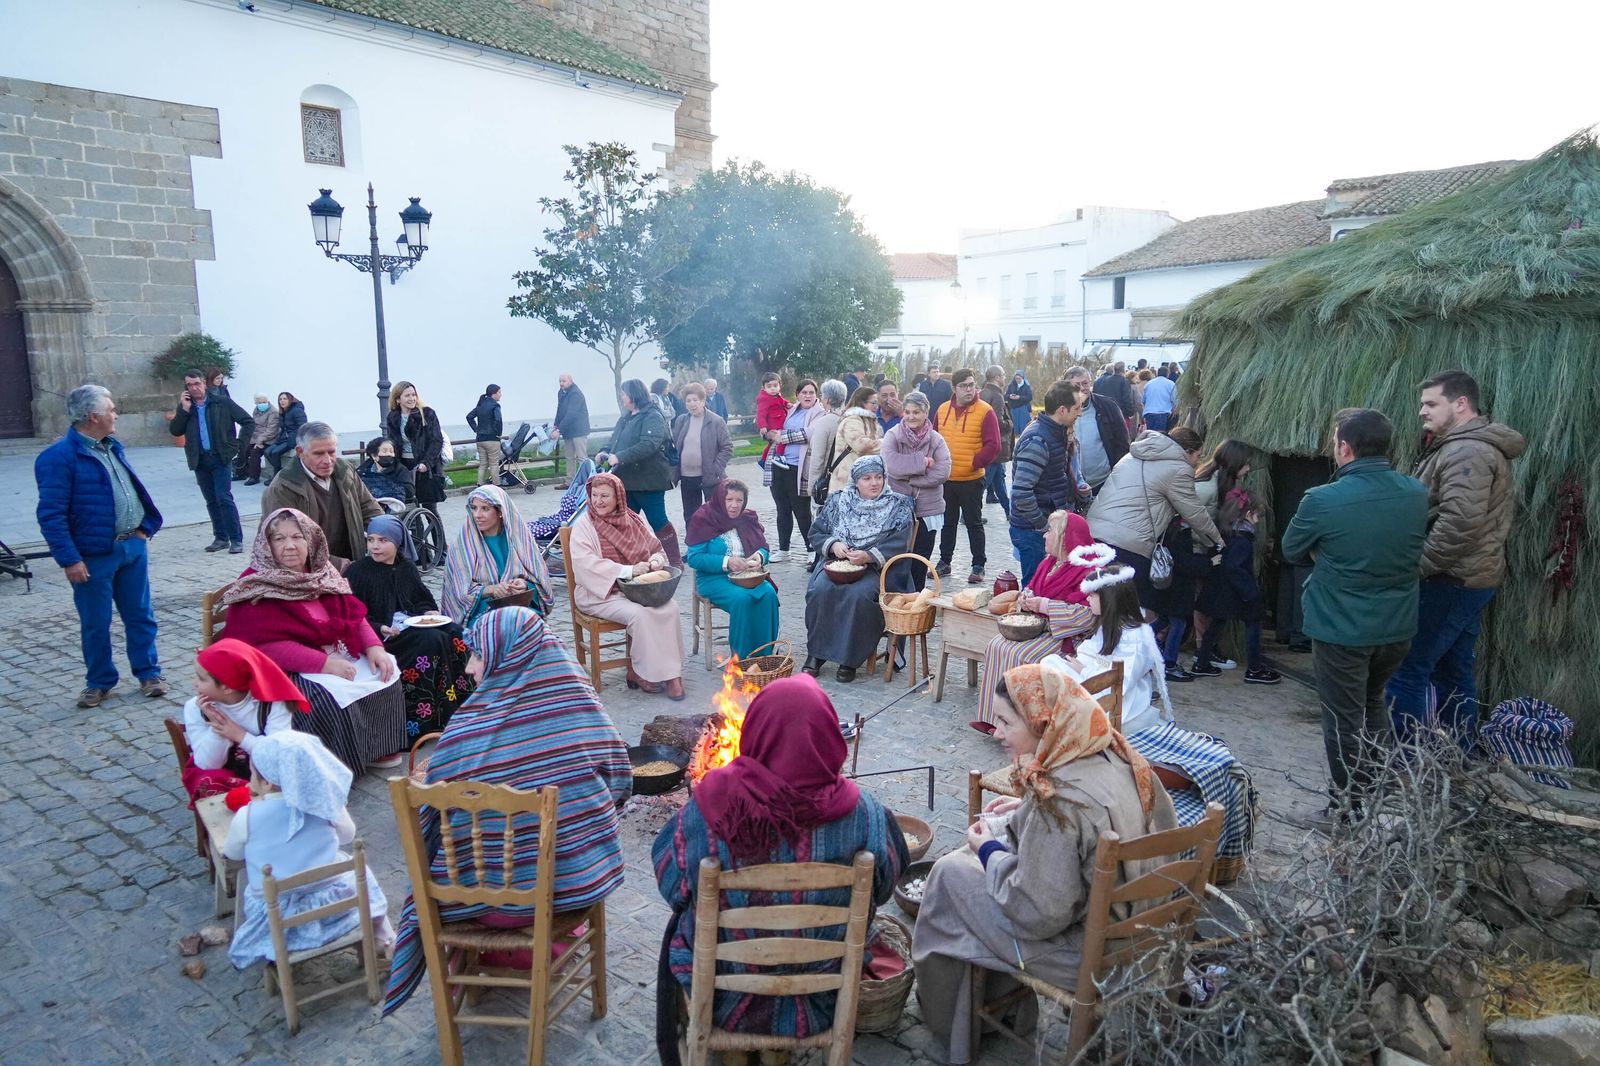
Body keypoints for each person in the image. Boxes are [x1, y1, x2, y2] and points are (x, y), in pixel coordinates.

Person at [912, 662, 1178, 1062]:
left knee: (949, 877)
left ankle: (955, 1023)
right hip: (1150, 932)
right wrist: (1025, 810)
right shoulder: (1118, 754)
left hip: (1093, 958)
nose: (996, 733)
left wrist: (988, 852)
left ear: (1042, 723)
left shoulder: (1060, 800)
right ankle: (993, 1012)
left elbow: (1037, 912)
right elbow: (1093, 827)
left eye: (1004, 722)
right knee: (967, 877)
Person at [385, 607, 631, 1013]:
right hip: (567, 890)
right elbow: (620, 783)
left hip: (473, 904)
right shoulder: (585, 715)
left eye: (478, 655)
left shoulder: (463, 735)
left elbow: (427, 822)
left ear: (507, 656)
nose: (468, 668)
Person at [652, 674, 908, 1056]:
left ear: (756, 734)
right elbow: (885, 887)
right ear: (828, 737)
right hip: (822, 996)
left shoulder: (712, 810)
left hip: (724, 991)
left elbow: (671, 883)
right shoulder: (866, 815)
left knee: (681, 920)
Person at [1282, 409, 1427, 813]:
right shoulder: (1415, 492)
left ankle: (1350, 801)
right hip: (1397, 625)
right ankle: (1375, 787)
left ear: (1344, 448)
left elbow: (1291, 550)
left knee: (1342, 718)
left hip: (1341, 627)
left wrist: (1327, 552)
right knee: (1374, 701)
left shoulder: (1322, 499)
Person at [1386, 369, 1526, 748]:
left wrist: (1416, 567)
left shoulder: (1468, 450)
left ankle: (1403, 765)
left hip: (1451, 579)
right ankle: (1458, 757)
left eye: (1431, 403)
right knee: (1452, 670)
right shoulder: (1462, 446)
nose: (1422, 412)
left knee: (1408, 670)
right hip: (1469, 578)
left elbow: (1460, 523)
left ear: (1461, 404)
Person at [220, 508, 406, 775]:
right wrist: (324, 664)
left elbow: (352, 613)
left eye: (297, 537)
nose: (290, 546)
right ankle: (336, 765)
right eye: (279, 539)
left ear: (311, 541)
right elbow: (263, 646)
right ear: (267, 544)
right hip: (283, 668)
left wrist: (374, 646)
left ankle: (377, 747)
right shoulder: (256, 586)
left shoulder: (321, 573)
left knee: (387, 670)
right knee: (323, 698)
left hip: (332, 651)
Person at [35, 384, 167, 708]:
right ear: (94, 416)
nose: (115, 414)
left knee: (140, 615)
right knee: (95, 622)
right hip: (93, 557)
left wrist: (143, 529)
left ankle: (149, 674)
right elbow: (51, 514)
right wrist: (69, 559)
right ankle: (99, 681)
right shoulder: (58, 458)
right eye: (111, 409)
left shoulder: (112, 446)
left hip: (132, 547)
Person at [224, 731, 392, 970]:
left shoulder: (247, 816)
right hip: (335, 910)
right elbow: (347, 835)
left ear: (267, 782)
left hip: (278, 919)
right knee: (356, 869)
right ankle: (382, 938)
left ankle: (272, 952)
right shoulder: (326, 804)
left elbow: (233, 854)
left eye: (252, 774)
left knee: (248, 882)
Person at [346, 515, 475, 739]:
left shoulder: (406, 567)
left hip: (410, 627)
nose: (375, 546)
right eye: (371, 540)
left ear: (397, 542)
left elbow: (421, 599)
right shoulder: (358, 571)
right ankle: (423, 721)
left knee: (455, 632)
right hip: (382, 639)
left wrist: (428, 612)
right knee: (432, 641)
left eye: (383, 540)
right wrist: (379, 628)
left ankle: (465, 705)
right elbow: (351, 615)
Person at [974, 511, 1099, 728]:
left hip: (1067, 637)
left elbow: (1087, 616)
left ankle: (1022, 727)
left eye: (1050, 531)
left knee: (1020, 654)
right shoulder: (1049, 563)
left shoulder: (1089, 571)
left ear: (1064, 538)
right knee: (995, 645)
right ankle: (993, 719)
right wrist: (1026, 597)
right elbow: (1031, 587)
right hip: (1039, 628)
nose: (1044, 536)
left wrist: (1044, 605)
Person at [569, 472, 687, 699]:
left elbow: (656, 549)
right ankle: (640, 672)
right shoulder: (585, 525)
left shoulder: (634, 519)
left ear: (619, 498)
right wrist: (629, 571)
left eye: (605, 496)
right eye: (595, 495)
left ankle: (673, 675)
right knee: (641, 615)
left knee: (670, 608)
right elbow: (586, 566)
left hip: (637, 589)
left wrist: (655, 561)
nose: (599, 501)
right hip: (600, 593)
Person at [802, 456, 917, 682]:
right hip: (837, 565)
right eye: (867, 478)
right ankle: (816, 653)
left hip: (878, 570)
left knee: (859, 596)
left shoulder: (898, 505)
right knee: (820, 590)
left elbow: (901, 541)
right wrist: (833, 545)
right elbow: (816, 533)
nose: (874, 483)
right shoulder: (838, 502)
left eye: (878, 477)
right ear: (856, 481)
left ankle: (850, 660)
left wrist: (869, 555)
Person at [1086, 426, 1224, 610]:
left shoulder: (1132, 455)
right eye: (1198, 456)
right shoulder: (1178, 468)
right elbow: (1195, 513)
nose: (1198, 462)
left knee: (1100, 604)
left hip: (1095, 535)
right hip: (1130, 544)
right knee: (1132, 609)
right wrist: (1217, 542)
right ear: (1187, 451)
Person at [179, 637, 305, 802]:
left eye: (201, 679)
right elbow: (207, 764)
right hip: (223, 774)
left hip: (263, 775)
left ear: (227, 688)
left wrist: (239, 735)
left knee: (292, 776)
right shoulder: (196, 708)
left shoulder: (271, 705)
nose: (194, 683)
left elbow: (277, 754)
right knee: (210, 784)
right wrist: (218, 728)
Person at [259, 421, 382, 566]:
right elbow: (288, 545)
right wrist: (344, 566)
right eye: (318, 454)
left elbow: (369, 508)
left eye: (331, 452)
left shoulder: (345, 470)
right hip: (307, 573)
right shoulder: (283, 488)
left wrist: (388, 534)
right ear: (300, 452)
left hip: (352, 562)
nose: (327, 460)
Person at [1190, 489, 1281, 684]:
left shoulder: (1225, 535)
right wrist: (1250, 592)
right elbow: (1233, 568)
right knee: (1254, 625)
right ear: (1247, 514)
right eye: (1257, 515)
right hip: (1239, 593)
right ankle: (1254, 668)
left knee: (1216, 625)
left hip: (1221, 590)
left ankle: (1202, 662)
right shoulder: (1243, 541)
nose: (1257, 520)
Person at [684, 479, 779, 659]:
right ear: (720, 498)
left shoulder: (747, 518)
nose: (734, 506)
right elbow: (694, 558)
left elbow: (764, 548)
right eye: (729, 500)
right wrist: (727, 561)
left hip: (747, 576)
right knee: (743, 599)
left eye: (739, 500)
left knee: (768, 594)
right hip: (713, 579)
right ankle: (741, 658)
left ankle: (764, 655)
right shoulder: (704, 518)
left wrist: (759, 557)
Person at [1009, 380, 1092, 582]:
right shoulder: (1038, 440)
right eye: (1076, 408)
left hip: (1042, 526)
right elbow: (1021, 492)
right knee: (1034, 586)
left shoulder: (1055, 433)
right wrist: (1044, 526)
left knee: (1046, 584)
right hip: (1032, 531)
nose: (1080, 413)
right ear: (1062, 410)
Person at [169, 367, 254, 553]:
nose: (194, 388)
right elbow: (175, 431)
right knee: (211, 500)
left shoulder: (221, 402)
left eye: (197, 384)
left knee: (224, 497)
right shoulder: (187, 407)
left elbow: (247, 421)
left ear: (204, 384)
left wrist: (238, 446)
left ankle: (236, 539)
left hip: (220, 457)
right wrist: (183, 410)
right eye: (189, 385)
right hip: (199, 459)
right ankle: (220, 537)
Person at [440, 484, 551, 624]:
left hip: (518, 606)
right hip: (481, 610)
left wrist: (524, 584)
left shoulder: (520, 541)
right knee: (506, 624)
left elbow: (541, 581)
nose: (477, 515)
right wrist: (491, 590)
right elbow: (458, 593)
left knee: (527, 623)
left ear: (500, 511)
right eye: (474, 508)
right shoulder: (461, 546)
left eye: (485, 509)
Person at [935, 368, 1002, 584]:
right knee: (948, 523)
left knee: (974, 523)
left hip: (972, 480)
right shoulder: (943, 409)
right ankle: (944, 562)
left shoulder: (985, 411)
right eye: (964, 386)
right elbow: (934, 439)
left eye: (972, 385)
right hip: (947, 479)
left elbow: (994, 445)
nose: (969, 389)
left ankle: (978, 565)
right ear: (954, 388)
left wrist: (975, 463)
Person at [880, 390, 952, 588]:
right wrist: (922, 462)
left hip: (928, 509)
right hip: (898, 507)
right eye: (908, 412)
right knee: (897, 560)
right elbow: (891, 465)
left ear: (926, 412)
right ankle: (895, 605)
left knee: (920, 560)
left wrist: (910, 480)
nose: (911, 416)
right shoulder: (893, 435)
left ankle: (916, 604)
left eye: (916, 412)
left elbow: (942, 472)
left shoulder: (936, 440)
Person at [609, 378, 682, 567]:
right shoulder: (626, 417)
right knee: (628, 523)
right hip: (627, 480)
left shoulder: (652, 416)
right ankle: (634, 559)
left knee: (657, 520)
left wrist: (620, 457)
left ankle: (675, 560)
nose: (621, 397)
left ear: (633, 395)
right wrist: (605, 451)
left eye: (623, 393)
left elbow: (648, 445)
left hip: (649, 481)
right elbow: (614, 440)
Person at [766, 378, 822, 563]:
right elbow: (772, 424)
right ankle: (784, 549)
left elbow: (808, 434)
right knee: (782, 509)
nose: (807, 395)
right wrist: (768, 432)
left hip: (799, 468)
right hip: (779, 465)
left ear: (816, 395)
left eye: (811, 392)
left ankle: (811, 549)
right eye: (804, 392)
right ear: (797, 394)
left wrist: (781, 436)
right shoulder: (790, 409)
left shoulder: (819, 414)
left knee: (802, 511)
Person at [1063, 365, 1131, 493]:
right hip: (1070, 485)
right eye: (1077, 385)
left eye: (1085, 383)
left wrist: (1118, 474)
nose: (1082, 388)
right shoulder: (1059, 410)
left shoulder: (1108, 406)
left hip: (1103, 481)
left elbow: (1123, 443)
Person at [671, 381, 734, 519]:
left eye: (695, 400)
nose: (692, 404)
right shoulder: (681, 420)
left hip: (709, 478)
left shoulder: (716, 421)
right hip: (687, 478)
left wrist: (715, 468)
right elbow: (675, 446)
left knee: (713, 515)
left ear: (703, 400)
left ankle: (713, 541)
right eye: (688, 401)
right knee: (691, 516)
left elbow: (727, 447)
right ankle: (693, 541)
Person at [385, 380, 445, 519]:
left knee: (430, 509)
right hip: (405, 466)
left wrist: (426, 463)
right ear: (398, 399)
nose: (412, 398)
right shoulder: (393, 417)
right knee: (410, 508)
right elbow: (392, 442)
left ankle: (439, 541)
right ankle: (417, 540)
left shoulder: (427, 413)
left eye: (414, 395)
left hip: (425, 466)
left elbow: (436, 440)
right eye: (407, 395)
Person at [829, 385, 883, 494]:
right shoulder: (852, 420)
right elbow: (861, 446)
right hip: (846, 483)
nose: (876, 406)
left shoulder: (869, 421)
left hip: (860, 480)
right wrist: (888, 443)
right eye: (873, 403)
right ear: (862, 402)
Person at [804, 378, 847, 504]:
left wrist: (812, 488)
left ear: (828, 399)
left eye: (822, 396)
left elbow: (818, 458)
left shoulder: (824, 423)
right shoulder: (849, 420)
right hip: (846, 480)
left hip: (829, 484)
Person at [979, 364, 1013, 515]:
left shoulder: (982, 393)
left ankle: (1009, 510)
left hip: (985, 442)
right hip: (996, 445)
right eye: (1003, 375)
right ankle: (967, 514)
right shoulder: (997, 396)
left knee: (999, 479)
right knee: (984, 481)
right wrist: (1009, 424)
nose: (1005, 378)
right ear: (997, 377)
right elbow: (998, 422)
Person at [551, 374, 592, 487]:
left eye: (563, 381)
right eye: (560, 381)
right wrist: (555, 425)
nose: (561, 383)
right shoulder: (561, 393)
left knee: (582, 457)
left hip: (579, 429)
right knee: (569, 457)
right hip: (568, 430)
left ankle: (587, 482)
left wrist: (559, 430)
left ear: (571, 381)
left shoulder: (576, 394)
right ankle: (570, 481)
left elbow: (571, 414)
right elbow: (560, 410)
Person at [261, 391, 306, 485]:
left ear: (290, 400)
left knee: (275, 452)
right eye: (280, 399)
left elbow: (303, 426)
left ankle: (277, 477)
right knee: (267, 451)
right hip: (283, 438)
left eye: (285, 399)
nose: (282, 401)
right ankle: (281, 472)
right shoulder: (284, 412)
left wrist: (296, 439)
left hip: (292, 439)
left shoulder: (296, 410)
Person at [465, 383, 504, 488]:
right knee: (494, 465)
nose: (501, 395)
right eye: (499, 392)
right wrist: (499, 434)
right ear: (493, 394)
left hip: (480, 439)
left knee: (483, 464)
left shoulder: (480, 405)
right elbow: (498, 420)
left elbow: (469, 417)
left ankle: (480, 485)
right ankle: (497, 487)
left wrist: (476, 429)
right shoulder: (495, 405)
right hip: (492, 439)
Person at [356, 438, 414, 504]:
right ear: (374, 456)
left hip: (391, 505)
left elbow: (409, 490)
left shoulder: (400, 469)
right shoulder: (363, 470)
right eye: (384, 451)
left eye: (391, 451)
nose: (389, 454)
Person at [240, 393, 280, 486]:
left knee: (255, 452)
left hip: (270, 438)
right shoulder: (256, 410)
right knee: (245, 449)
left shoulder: (273, 412)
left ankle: (254, 477)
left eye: (264, 402)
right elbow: (255, 426)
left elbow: (272, 430)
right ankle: (242, 472)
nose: (262, 404)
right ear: (256, 403)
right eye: (259, 402)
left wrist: (260, 441)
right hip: (257, 437)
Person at [754, 371, 790, 471]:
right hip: (774, 424)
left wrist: (787, 404)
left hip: (779, 421)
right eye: (769, 386)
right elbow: (760, 414)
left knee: (771, 444)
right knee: (781, 440)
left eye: (775, 385)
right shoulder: (764, 399)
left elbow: (782, 401)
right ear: (763, 388)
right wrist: (763, 426)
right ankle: (779, 456)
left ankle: (763, 461)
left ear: (780, 385)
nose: (773, 388)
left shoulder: (777, 396)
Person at [1092, 360, 1139, 425]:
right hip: (1119, 414)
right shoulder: (1123, 381)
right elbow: (1126, 398)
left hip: (1103, 414)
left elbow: (1094, 398)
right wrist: (1130, 412)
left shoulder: (1098, 381)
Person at [1141, 367, 1178, 432]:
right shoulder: (1171, 384)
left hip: (1149, 413)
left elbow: (1143, 400)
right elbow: (1175, 400)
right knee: (1159, 435)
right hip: (1162, 413)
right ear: (1167, 374)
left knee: (1150, 434)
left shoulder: (1149, 384)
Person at [1005, 370, 1033, 436]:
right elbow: (1005, 396)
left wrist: (1019, 397)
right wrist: (1010, 396)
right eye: (1016, 378)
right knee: (1015, 428)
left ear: (1022, 378)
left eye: (1019, 378)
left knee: (1024, 427)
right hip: (1013, 409)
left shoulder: (1027, 386)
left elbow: (1029, 397)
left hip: (1023, 408)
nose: (1017, 380)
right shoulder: (1011, 385)